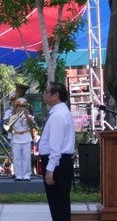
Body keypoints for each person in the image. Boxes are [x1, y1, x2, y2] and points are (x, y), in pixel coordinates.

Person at [38, 81, 75, 221]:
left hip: (58, 163)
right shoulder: (59, 112)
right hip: (60, 162)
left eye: (47, 92)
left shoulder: (58, 115)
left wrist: (50, 169)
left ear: (56, 95)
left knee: (58, 205)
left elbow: (56, 146)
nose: (44, 95)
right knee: (59, 205)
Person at [8, 97, 34, 181]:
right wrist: (16, 116)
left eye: (23, 106)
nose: (21, 107)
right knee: (16, 158)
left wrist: (27, 115)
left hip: (26, 137)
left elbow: (31, 125)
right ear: (17, 106)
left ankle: (26, 175)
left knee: (26, 158)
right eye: (19, 106)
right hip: (16, 138)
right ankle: (18, 175)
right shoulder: (13, 117)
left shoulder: (29, 116)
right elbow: (9, 127)